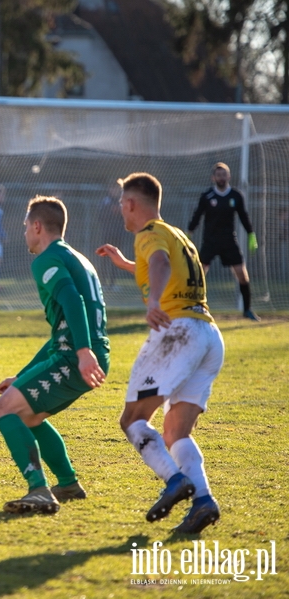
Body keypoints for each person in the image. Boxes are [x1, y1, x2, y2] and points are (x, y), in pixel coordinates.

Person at [97, 172, 224, 534]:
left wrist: (153, 300)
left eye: (123, 202)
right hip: (208, 334)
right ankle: (202, 501)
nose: (121, 208)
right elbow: (164, 263)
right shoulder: (176, 234)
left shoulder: (148, 233)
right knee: (175, 433)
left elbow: (160, 265)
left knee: (132, 419)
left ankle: (174, 481)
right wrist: (124, 264)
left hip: (177, 332)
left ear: (132, 204)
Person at [0, 196, 109, 515]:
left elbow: (73, 302)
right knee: (29, 416)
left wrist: (83, 353)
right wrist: (24, 375)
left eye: (26, 227)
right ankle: (67, 483)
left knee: (3, 410)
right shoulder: (77, 258)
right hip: (84, 353)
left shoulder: (47, 259)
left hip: (75, 357)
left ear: (38, 226)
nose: (25, 233)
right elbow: (63, 329)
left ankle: (39, 490)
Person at [187, 162, 260, 321]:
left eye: (224, 174)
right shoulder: (207, 196)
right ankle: (192, 307)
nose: (221, 177)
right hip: (210, 241)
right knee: (199, 274)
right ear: (213, 178)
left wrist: (251, 234)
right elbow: (197, 215)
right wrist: (189, 233)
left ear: (229, 176)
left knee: (242, 275)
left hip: (229, 241)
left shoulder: (236, 196)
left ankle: (247, 310)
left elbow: (243, 216)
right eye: (218, 175)